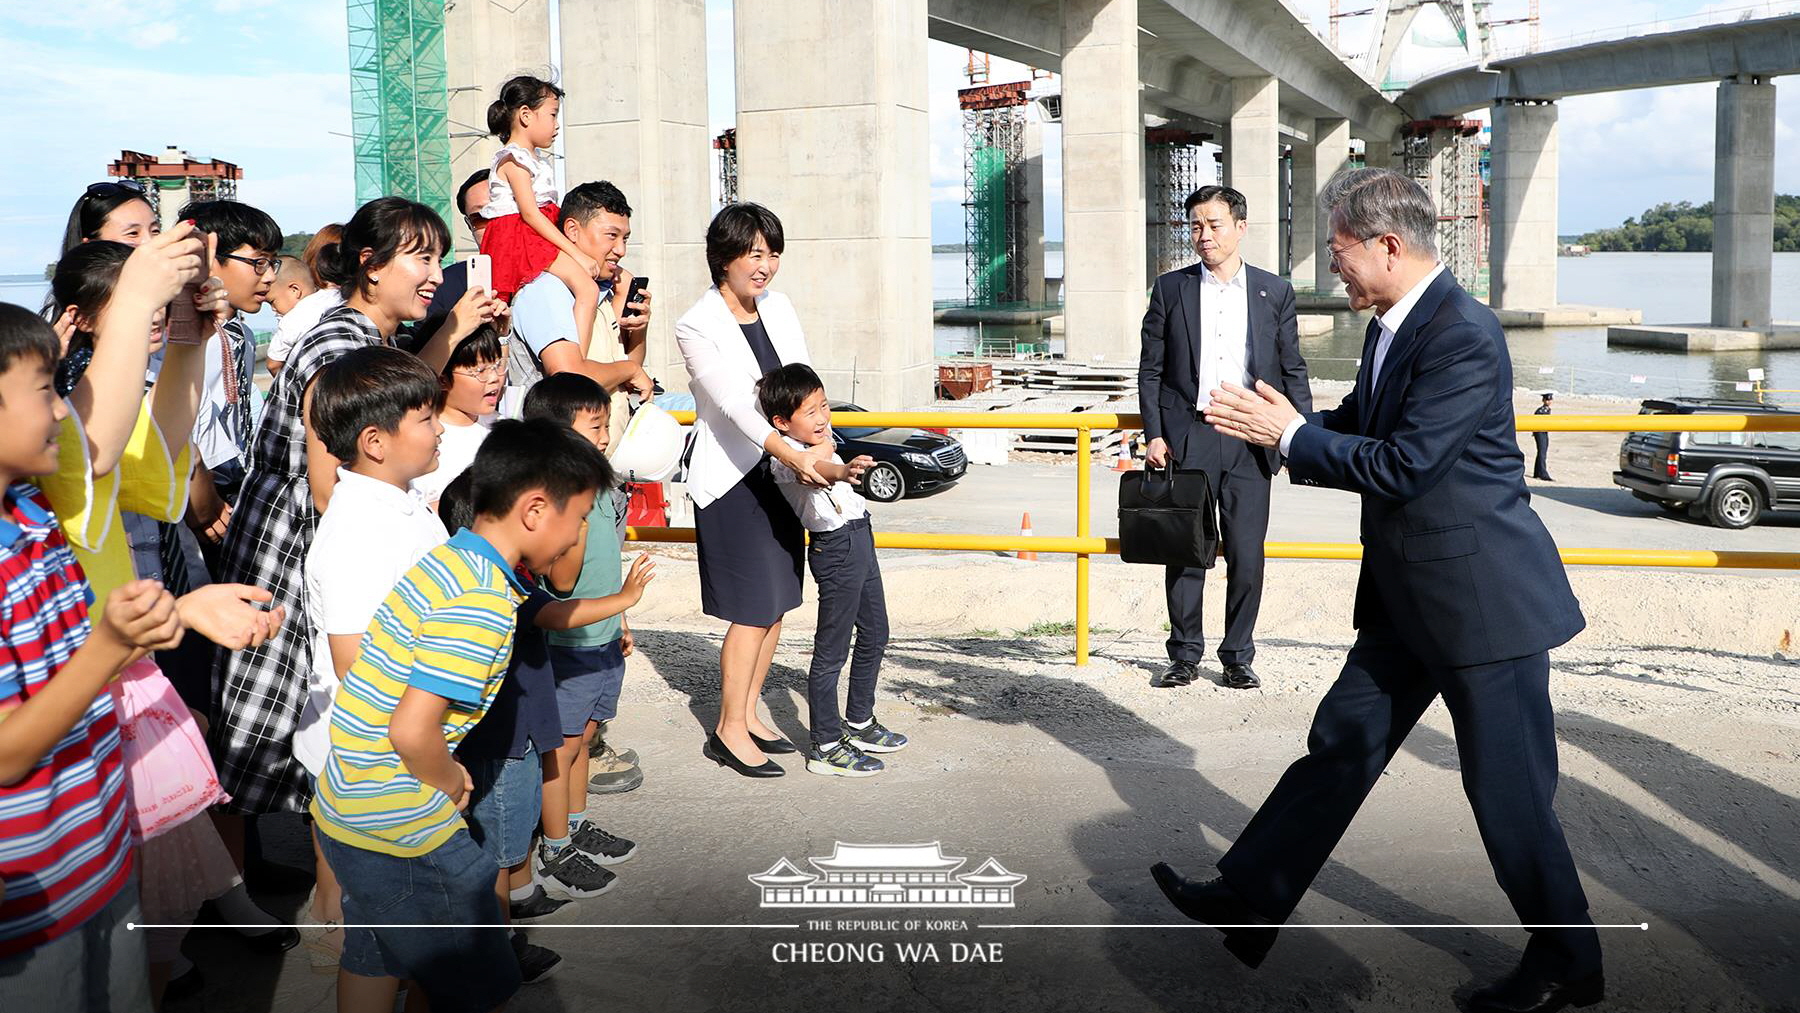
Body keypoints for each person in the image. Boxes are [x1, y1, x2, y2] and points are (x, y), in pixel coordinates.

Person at [1167, 167, 1602, 1013]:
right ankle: (1252, 894)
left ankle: (1570, 964)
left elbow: (1405, 464)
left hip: (1482, 604)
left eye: (1340, 254)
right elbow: (1365, 423)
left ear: (1389, 246)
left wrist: (1289, 433)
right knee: (1343, 744)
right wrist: (1270, 429)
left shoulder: (1464, 335)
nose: (1334, 271)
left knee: (1508, 795)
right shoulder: (1393, 324)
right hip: (1411, 597)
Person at [210, 197, 503, 821]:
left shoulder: (359, 332)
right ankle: (238, 897)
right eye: (420, 258)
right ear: (371, 265)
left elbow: (386, 411)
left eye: (439, 260)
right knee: (264, 719)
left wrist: (449, 330)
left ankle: (271, 880)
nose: (433, 274)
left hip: (301, 532)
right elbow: (331, 478)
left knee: (289, 713)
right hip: (294, 542)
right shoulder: (340, 342)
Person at [310, 418, 606, 1013]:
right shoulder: (482, 601)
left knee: (376, 955)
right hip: (405, 823)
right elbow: (413, 728)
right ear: (535, 510)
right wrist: (450, 780)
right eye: (578, 519)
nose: (576, 537)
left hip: (347, 803)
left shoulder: (451, 561)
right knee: (475, 983)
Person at [295, 347, 450, 961]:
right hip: (376, 749)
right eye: (426, 418)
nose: (440, 428)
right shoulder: (358, 531)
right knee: (381, 920)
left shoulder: (404, 503)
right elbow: (356, 662)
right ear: (375, 442)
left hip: (400, 737)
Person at [676, 202, 833, 777]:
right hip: (736, 478)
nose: (765, 265)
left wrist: (821, 441)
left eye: (772, 252)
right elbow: (738, 406)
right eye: (754, 252)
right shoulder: (696, 323)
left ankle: (748, 711)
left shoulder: (780, 306)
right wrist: (797, 453)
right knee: (752, 609)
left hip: (782, 477)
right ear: (725, 257)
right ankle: (727, 728)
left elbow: (804, 381)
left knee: (778, 606)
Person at [1137, 184, 1311, 692]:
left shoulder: (1273, 291)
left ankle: (1237, 655)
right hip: (1187, 434)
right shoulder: (1170, 289)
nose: (1203, 235)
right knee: (1185, 550)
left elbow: (1292, 368)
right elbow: (1151, 371)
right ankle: (1184, 655)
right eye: (1195, 226)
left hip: (1251, 436)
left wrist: (1301, 438)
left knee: (1246, 552)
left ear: (1240, 228)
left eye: (1213, 225)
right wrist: (1153, 434)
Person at [520, 373, 654, 897]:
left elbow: (603, 562)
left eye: (605, 425)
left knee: (585, 740)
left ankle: (574, 824)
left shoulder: (595, 487)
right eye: (595, 426)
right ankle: (554, 846)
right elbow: (562, 583)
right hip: (569, 648)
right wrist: (621, 600)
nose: (604, 436)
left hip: (601, 639)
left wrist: (620, 619)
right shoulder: (561, 498)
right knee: (562, 748)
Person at [757, 363, 908, 778]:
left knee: (876, 633)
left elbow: (823, 456)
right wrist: (844, 469)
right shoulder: (785, 460)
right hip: (835, 548)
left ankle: (859, 721)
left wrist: (833, 456)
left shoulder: (821, 441)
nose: (823, 417)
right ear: (781, 423)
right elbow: (819, 471)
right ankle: (824, 745)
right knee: (831, 652)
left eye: (824, 406)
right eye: (810, 412)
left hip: (860, 535)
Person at [479, 75, 602, 356]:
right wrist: (578, 255)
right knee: (587, 289)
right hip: (524, 236)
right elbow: (531, 214)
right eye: (552, 114)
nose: (556, 124)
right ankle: (577, 364)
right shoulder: (514, 160)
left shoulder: (529, 159)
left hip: (533, 231)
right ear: (525, 115)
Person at [411, 325, 504, 507]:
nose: (494, 377)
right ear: (442, 379)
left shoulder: (503, 424)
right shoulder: (430, 444)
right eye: (480, 370)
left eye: (497, 365)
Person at [266, 224, 346, 376]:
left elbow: (273, 364)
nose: (273, 309)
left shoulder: (296, 318)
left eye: (272, 302)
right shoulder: (346, 300)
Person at [423, 170, 496, 319]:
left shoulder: (553, 273)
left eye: (505, 213)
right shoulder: (444, 285)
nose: (497, 225)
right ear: (469, 225)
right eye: (480, 218)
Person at [1533, 391, 1555, 481]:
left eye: (1550, 400)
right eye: (1547, 400)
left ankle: (1537, 472)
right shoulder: (1542, 410)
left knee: (1541, 452)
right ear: (1544, 400)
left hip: (1542, 432)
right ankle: (1542, 473)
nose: (1549, 401)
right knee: (1542, 452)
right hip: (1540, 432)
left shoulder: (1545, 410)